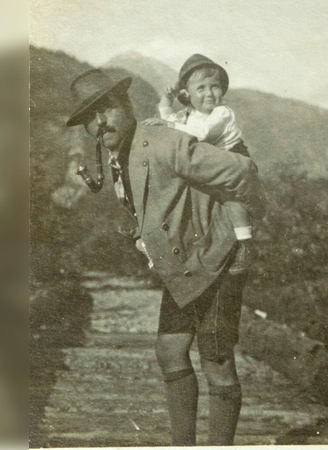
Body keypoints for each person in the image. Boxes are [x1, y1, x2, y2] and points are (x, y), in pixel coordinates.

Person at [65, 68, 265, 446]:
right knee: (170, 351)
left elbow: (243, 171)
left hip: (217, 262)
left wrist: (238, 233)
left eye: (105, 110)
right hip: (184, 269)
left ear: (125, 106)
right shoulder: (117, 154)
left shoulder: (161, 142)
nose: (99, 122)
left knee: (217, 364)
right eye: (90, 118)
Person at [142, 54, 253, 274]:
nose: (210, 93)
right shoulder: (188, 115)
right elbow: (169, 117)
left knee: (231, 199)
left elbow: (200, 134)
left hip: (232, 157)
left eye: (215, 87)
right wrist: (167, 99)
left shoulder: (222, 113)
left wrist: (168, 124)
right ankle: (165, 245)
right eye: (201, 88)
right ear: (187, 95)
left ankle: (244, 245)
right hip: (208, 162)